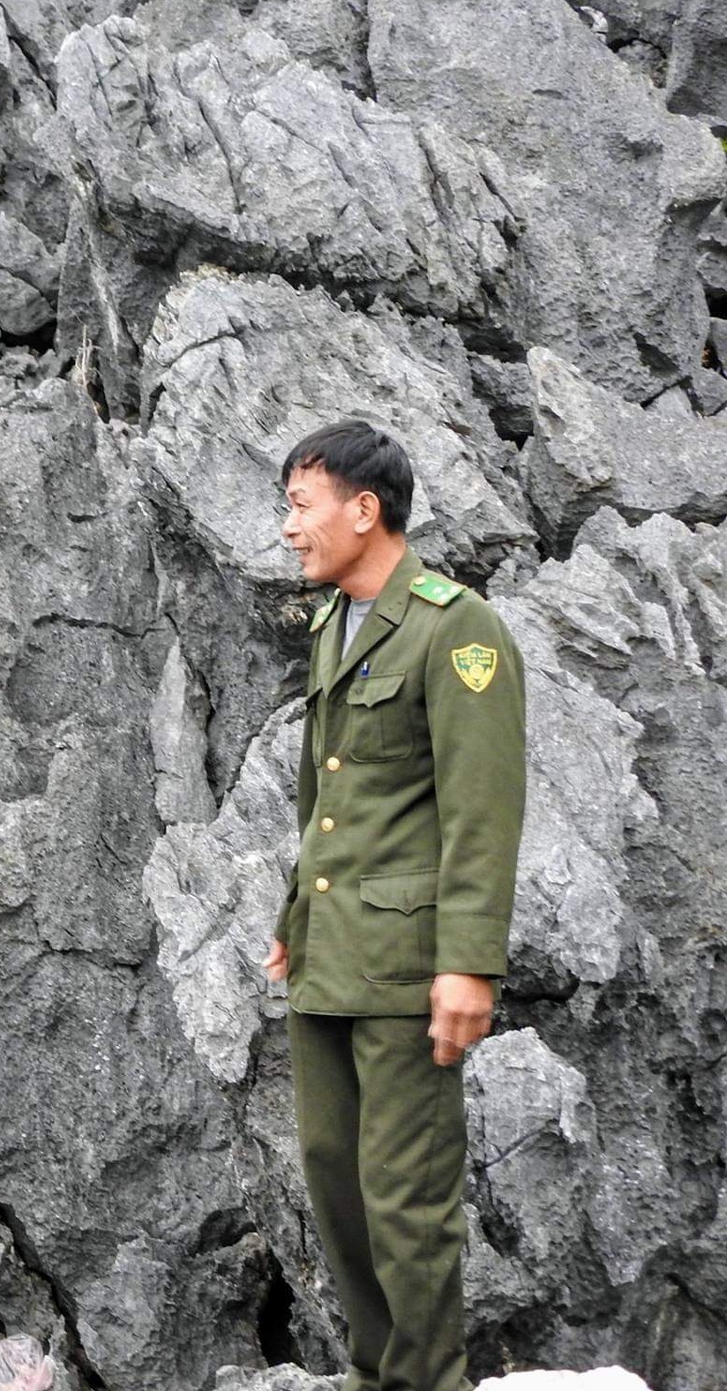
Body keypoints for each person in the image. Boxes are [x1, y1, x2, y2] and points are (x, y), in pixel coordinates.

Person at [261, 419, 526, 1391]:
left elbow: (482, 809)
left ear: (363, 510)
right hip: (334, 958)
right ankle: (383, 1377)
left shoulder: (458, 630)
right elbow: (327, 797)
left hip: (410, 971)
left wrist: (470, 964)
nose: (290, 529)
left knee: (406, 1203)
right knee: (336, 1183)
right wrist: (296, 921)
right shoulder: (338, 622)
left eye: (301, 505)